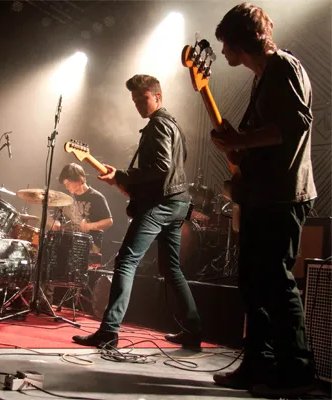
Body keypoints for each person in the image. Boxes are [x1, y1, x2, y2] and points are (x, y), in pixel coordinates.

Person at [210, 3, 317, 398]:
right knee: (253, 284)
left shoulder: (284, 66)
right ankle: (258, 364)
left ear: (240, 41)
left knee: (276, 281)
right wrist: (236, 145)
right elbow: (260, 139)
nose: (223, 52)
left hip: (283, 194)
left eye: (226, 44)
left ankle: (296, 373)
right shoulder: (263, 77)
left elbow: (295, 124)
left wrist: (240, 140)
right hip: (261, 194)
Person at [72, 74, 202, 350]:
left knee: (126, 261)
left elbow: (161, 168)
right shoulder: (173, 125)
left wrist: (123, 176)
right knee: (171, 268)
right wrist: (126, 180)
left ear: (158, 96)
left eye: (143, 99)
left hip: (161, 205)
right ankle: (193, 330)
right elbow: (172, 168)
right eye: (134, 101)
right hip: (177, 203)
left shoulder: (158, 126)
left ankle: (108, 332)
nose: (138, 105)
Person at [42, 163, 113, 305]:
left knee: (58, 255)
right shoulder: (67, 198)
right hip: (70, 240)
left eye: (68, 184)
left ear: (80, 180)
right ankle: (44, 301)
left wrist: (90, 226)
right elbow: (58, 218)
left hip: (89, 244)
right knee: (48, 253)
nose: (67, 187)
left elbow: (109, 221)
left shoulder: (97, 197)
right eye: (65, 184)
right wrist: (56, 223)